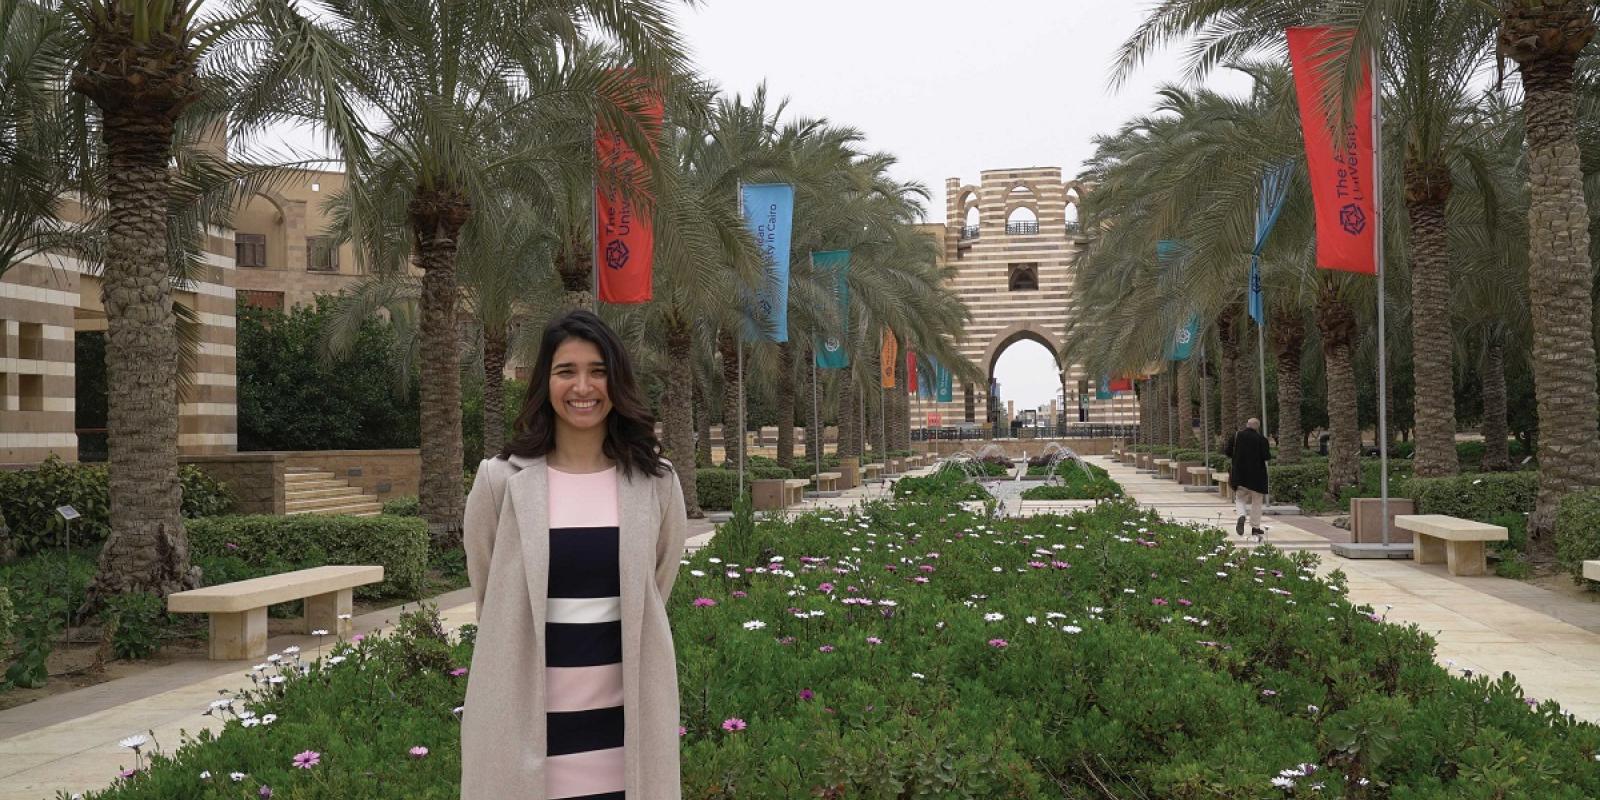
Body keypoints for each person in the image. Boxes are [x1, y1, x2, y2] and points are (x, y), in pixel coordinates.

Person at [460, 310, 687, 800]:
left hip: (623, 732)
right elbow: (490, 596)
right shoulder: (499, 481)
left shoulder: (657, 483)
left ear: (617, 381)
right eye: (566, 371)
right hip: (527, 728)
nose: (583, 386)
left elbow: (656, 588)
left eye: (598, 370)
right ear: (545, 381)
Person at [1223, 417, 1272, 539]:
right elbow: (1267, 456)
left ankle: (1241, 515)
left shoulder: (1236, 436)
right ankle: (1255, 528)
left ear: (1247, 425)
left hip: (1240, 476)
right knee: (1257, 502)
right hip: (1257, 478)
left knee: (1239, 499)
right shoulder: (1262, 439)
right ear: (1257, 427)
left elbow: (1227, 452)